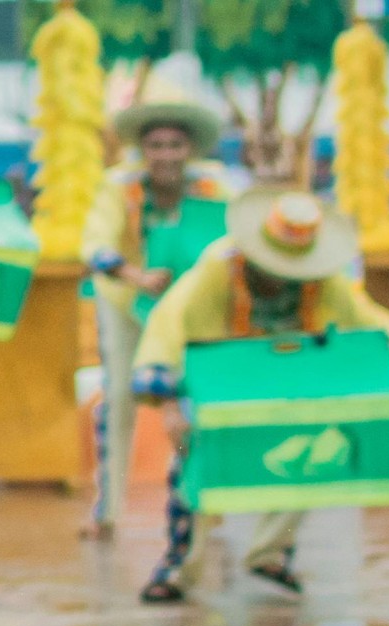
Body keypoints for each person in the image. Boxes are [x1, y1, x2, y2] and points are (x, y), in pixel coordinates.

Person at [130, 189, 389, 603]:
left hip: (284, 380)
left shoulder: (324, 275)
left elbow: (370, 322)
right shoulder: (218, 269)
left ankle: (271, 552)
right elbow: (170, 325)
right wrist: (168, 402)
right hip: (216, 377)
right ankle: (178, 569)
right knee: (195, 466)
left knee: (307, 455)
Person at [79, 100, 243, 538]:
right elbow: (94, 245)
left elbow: (237, 237)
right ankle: (107, 512)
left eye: (175, 145)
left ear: (189, 148)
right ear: (142, 148)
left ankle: (211, 504)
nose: (165, 155)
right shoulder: (119, 185)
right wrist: (138, 277)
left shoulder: (213, 185)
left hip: (190, 309)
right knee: (119, 398)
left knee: (203, 400)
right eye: (156, 145)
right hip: (128, 305)